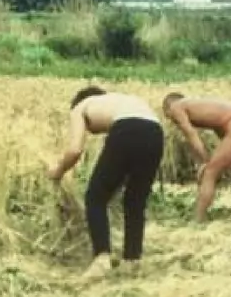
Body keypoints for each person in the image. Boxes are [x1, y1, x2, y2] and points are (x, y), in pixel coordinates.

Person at [49, 86, 165, 277]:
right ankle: (132, 260)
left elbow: (75, 150)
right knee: (135, 201)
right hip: (155, 133)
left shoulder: (81, 107)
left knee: (95, 196)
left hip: (127, 130)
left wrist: (58, 171)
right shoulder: (123, 100)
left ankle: (102, 259)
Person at [161, 92, 231, 221]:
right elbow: (222, 130)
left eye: (167, 116)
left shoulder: (176, 107)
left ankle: (198, 219)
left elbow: (191, 135)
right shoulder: (200, 105)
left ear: (167, 108)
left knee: (209, 173)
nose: (170, 120)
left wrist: (204, 162)